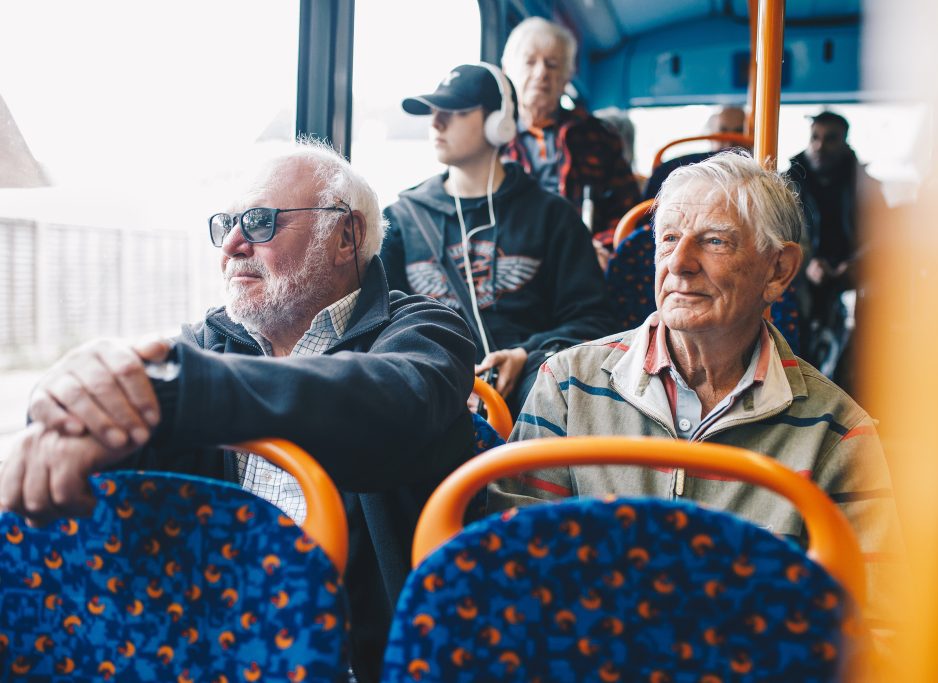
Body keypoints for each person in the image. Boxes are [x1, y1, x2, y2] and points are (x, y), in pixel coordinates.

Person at [0, 139, 477, 683]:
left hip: (358, 660)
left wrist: (180, 393)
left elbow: (393, 404)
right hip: (201, 640)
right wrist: (71, 413)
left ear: (346, 237)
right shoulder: (204, 346)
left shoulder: (424, 329)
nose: (231, 244)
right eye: (225, 224)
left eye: (259, 221)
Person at [490, 151, 901, 638]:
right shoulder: (567, 385)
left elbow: (875, 627)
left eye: (714, 241)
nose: (680, 265)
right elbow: (508, 572)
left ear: (778, 270)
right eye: (667, 239)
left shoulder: (836, 431)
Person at [381, 63, 616, 417]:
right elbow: (380, 322)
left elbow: (593, 321)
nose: (436, 123)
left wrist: (527, 355)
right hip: (426, 392)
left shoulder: (552, 216)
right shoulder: (401, 218)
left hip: (528, 397)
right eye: (434, 112)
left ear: (499, 123)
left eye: (456, 112)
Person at [501, 17, 641, 245]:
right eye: (529, 62)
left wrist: (594, 248)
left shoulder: (599, 137)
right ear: (507, 70)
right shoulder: (491, 140)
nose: (541, 73)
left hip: (582, 259)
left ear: (567, 76)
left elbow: (627, 210)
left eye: (552, 64)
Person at [787, 111, 882, 383]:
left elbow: (881, 240)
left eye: (830, 139)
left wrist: (857, 265)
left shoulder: (867, 187)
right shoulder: (787, 184)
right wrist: (806, 263)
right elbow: (779, 235)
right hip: (802, 275)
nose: (819, 145)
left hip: (851, 275)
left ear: (845, 143)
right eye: (814, 137)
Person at [643, 105, 748, 200]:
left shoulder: (753, 169)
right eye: (723, 131)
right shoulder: (670, 169)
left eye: (739, 132)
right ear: (711, 134)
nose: (729, 140)